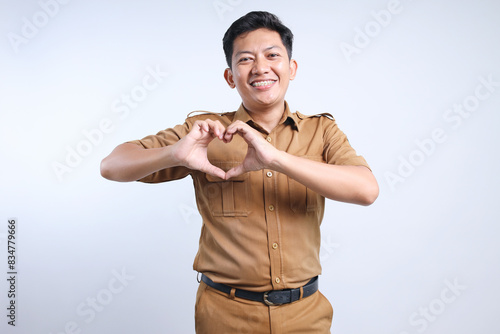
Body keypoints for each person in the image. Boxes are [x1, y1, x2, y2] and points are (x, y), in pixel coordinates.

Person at [101, 10, 379, 334]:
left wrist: (277, 159)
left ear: (291, 68)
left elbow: (366, 190)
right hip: (224, 316)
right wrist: (174, 153)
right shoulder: (204, 132)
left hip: (307, 316)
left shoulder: (322, 131)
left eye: (272, 55)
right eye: (245, 59)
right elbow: (112, 165)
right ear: (230, 76)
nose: (261, 68)